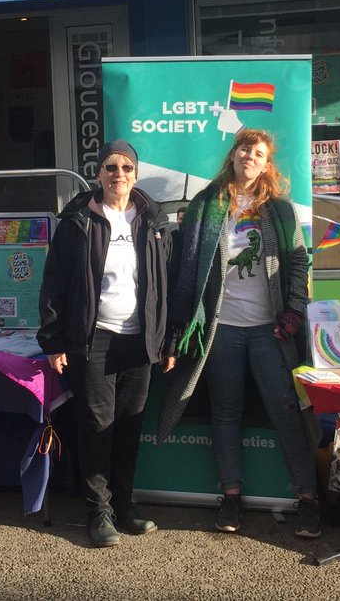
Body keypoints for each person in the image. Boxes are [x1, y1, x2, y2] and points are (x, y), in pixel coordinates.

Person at [157, 128, 320, 539]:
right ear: (233, 155)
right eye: (245, 148)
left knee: (287, 411)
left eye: (259, 152)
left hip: (271, 330)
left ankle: (308, 500)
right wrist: (178, 330)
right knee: (224, 413)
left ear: (267, 164)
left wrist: (295, 311)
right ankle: (231, 496)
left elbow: (299, 264)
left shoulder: (280, 211)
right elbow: (186, 271)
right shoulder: (205, 206)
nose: (250, 156)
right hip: (220, 330)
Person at [37, 139, 171, 548]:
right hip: (93, 340)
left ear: (136, 173)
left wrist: (166, 341)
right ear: (98, 174)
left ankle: (124, 506)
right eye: (111, 168)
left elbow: (165, 286)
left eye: (127, 167)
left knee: (129, 425)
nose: (119, 175)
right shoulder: (78, 220)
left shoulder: (153, 221)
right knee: (96, 426)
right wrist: (53, 340)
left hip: (139, 341)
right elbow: (54, 284)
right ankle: (98, 511)